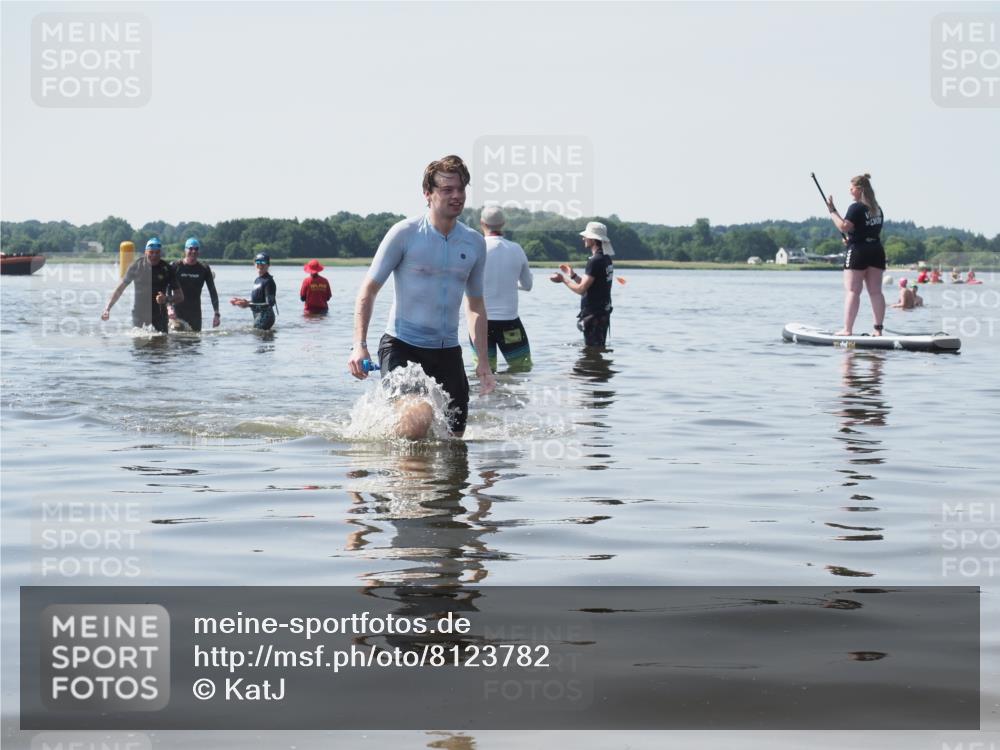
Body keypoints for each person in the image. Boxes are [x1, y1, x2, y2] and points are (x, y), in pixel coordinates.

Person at [346, 154, 495, 438]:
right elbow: (369, 289)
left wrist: (484, 363)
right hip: (403, 346)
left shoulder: (474, 242)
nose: (457, 196)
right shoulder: (404, 233)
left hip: (448, 352)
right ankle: (408, 480)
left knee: (453, 439)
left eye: (461, 189)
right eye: (447, 189)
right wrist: (359, 345)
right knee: (418, 416)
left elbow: (475, 305)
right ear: (428, 194)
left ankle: (421, 477)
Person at [474, 205, 533, 371]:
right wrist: (511, 284)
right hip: (510, 324)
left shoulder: (476, 248)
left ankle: (489, 398)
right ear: (503, 223)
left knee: (485, 373)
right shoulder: (516, 249)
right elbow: (527, 285)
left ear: (482, 223)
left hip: (480, 323)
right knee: (521, 369)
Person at [826, 174, 885, 336]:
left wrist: (832, 211)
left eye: (851, 188)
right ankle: (878, 330)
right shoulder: (877, 209)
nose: (849, 191)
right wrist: (853, 239)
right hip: (876, 250)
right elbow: (866, 229)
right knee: (876, 292)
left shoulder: (856, 207)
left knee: (853, 291)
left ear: (859, 190)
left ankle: (847, 330)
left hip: (859, 251)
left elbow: (844, 226)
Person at [549, 220, 614, 347]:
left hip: (594, 316)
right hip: (602, 314)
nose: (583, 238)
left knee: (592, 352)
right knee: (596, 352)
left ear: (594, 240)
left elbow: (581, 289)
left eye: (586, 236)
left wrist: (563, 279)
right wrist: (572, 275)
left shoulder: (595, 261)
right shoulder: (606, 258)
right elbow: (590, 286)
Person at [101, 237, 183, 333]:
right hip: (139, 316)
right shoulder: (136, 266)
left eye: (157, 253)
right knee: (139, 343)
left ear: (160, 253)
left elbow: (180, 296)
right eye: (151, 252)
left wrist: (166, 299)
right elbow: (120, 289)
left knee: (160, 345)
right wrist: (107, 308)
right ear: (146, 252)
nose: (154, 256)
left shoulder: (167, 269)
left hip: (160, 316)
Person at [168, 237, 220, 331]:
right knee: (177, 330)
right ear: (185, 250)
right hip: (177, 312)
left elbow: (212, 291)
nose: (193, 251)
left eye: (196, 249)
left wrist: (216, 314)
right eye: (190, 248)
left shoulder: (204, 269)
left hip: (195, 314)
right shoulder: (176, 266)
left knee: (195, 341)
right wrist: (169, 307)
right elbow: (167, 288)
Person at [230, 252, 277, 330]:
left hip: (266, 317)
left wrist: (248, 304)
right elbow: (258, 299)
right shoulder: (257, 280)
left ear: (268, 265)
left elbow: (270, 303)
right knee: (256, 337)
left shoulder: (269, 281)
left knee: (258, 338)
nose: (260, 265)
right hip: (257, 315)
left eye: (262, 262)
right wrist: (242, 301)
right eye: (257, 262)